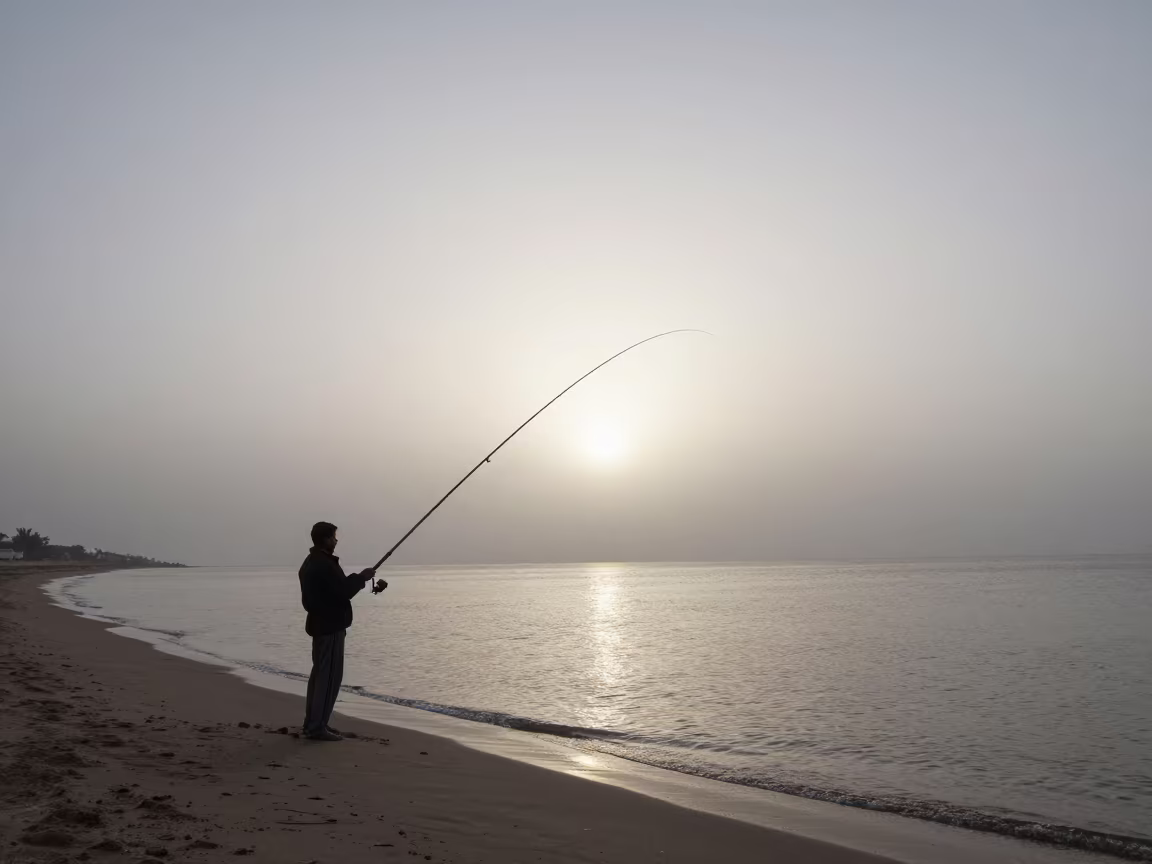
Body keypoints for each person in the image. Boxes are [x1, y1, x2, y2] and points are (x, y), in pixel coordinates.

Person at [298, 521, 380, 741]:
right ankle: (316, 727)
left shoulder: (311, 562)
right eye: (334, 536)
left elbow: (335, 589)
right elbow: (343, 591)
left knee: (320, 675)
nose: (336, 540)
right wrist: (362, 577)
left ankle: (313, 723)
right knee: (329, 677)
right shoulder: (323, 564)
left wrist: (358, 578)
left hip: (320, 625)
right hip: (330, 626)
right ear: (325, 539)